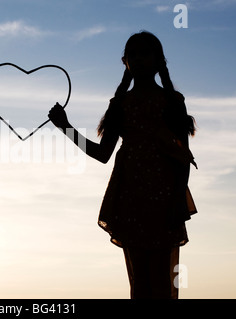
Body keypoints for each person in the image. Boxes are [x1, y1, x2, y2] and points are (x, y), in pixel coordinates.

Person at [48, 31, 197, 299]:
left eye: (144, 53)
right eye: (133, 55)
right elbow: (103, 153)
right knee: (139, 284)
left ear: (158, 60)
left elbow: (183, 155)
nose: (138, 59)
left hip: (164, 198)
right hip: (131, 197)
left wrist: (177, 198)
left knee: (162, 283)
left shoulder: (172, 101)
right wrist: (65, 128)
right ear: (125, 61)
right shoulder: (120, 104)